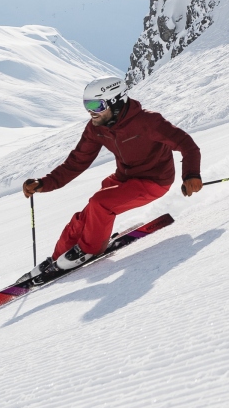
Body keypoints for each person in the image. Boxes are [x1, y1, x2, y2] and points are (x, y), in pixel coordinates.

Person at [21, 76, 201, 275]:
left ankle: (88, 250)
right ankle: (57, 259)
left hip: (154, 181)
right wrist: (44, 183)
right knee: (86, 216)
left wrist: (191, 174)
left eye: (95, 105)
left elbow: (187, 144)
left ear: (115, 102)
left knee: (101, 204)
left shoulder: (148, 122)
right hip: (123, 178)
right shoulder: (95, 128)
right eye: (86, 105)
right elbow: (76, 161)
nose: (91, 112)